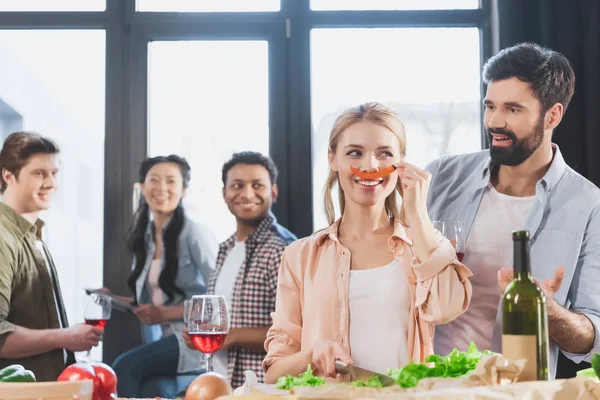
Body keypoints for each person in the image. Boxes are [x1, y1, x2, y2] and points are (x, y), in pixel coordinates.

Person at [263, 103, 472, 383]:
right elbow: (274, 373)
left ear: (401, 163)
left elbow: (447, 309)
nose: (370, 166)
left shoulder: (421, 246)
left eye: (384, 154)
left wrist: (419, 215)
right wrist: (312, 353)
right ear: (332, 159)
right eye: (355, 153)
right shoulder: (300, 256)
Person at [426, 43, 600, 378]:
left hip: (517, 389)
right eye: (489, 106)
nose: (494, 121)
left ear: (553, 115)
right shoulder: (440, 178)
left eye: (513, 109)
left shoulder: (588, 205)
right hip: (429, 384)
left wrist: (547, 310)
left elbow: (590, 338)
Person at [105, 155, 217, 398]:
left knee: (124, 367)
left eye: (170, 181)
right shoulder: (144, 236)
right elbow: (154, 299)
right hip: (163, 340)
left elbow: (219, 297)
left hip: (191, 339)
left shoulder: (193, 232)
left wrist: (163, 314)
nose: (161, 188)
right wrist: (113, 298)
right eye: (153, 180)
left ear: (183, 190)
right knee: (150, 390)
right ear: (142, 187)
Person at [182, 151, 296, 388]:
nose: (246, 193)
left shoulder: (284, 249)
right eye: (237, 185)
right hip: (222, 383)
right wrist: (203, 333)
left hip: (260, 388)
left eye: (257, 185)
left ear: (272, 192)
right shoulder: (226, 248)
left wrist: (229, 336)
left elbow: (295, 333)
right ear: (224, 193)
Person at [0, 131, 103, 381]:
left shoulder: (33, 233)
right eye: (39, 173)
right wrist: (67, 337)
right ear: (8, 176)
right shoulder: (3, 236)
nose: (51, 183)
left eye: (54, 173)